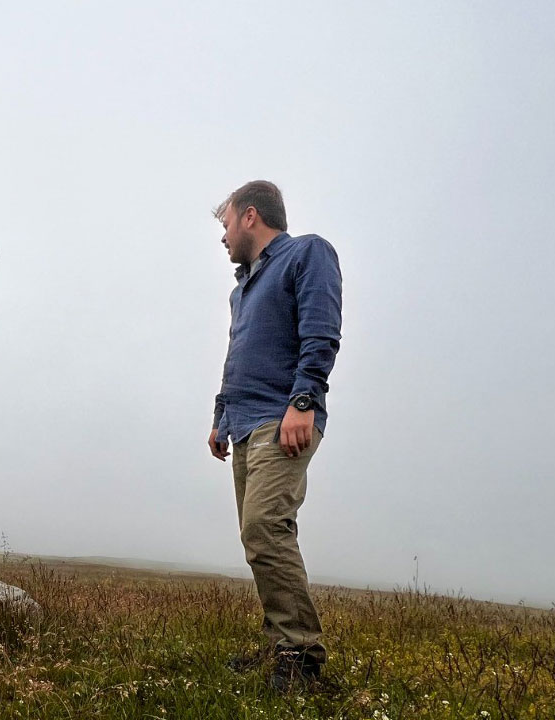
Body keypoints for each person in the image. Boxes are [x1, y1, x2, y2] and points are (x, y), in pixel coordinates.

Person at [207, 181, 342, 691]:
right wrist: (222, 414)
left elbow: (321, 328)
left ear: (248, 216)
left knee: (266, 527)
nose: (222, 238)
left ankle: (303, 659)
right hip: (243, 423)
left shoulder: (307, 253)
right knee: (257, 537)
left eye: (224, 226)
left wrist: (303, 399)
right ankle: (279, 647)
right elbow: (238, 354)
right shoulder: (241, 288)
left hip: (282, 415)